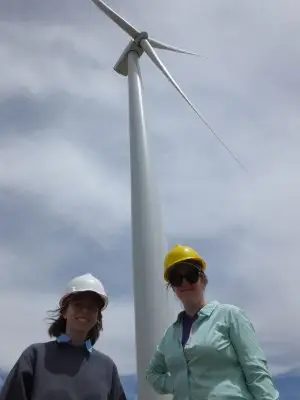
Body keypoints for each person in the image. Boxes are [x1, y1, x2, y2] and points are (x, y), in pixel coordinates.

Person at [146, 244, 279, 400]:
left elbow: (255, 369)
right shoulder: (170, 334)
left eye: (191, 275)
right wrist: (180, 383)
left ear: (203, 279)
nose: (184, 282)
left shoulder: (230, 316)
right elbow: (152, 374)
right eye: (176, 278)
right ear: (173, 287)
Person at [0, 273, 127, 400]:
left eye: (92, 307)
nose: (85, 311)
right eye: (78, 304)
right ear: (64, 311)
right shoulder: (35, 356)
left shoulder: (107, 368)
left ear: (97, 318)